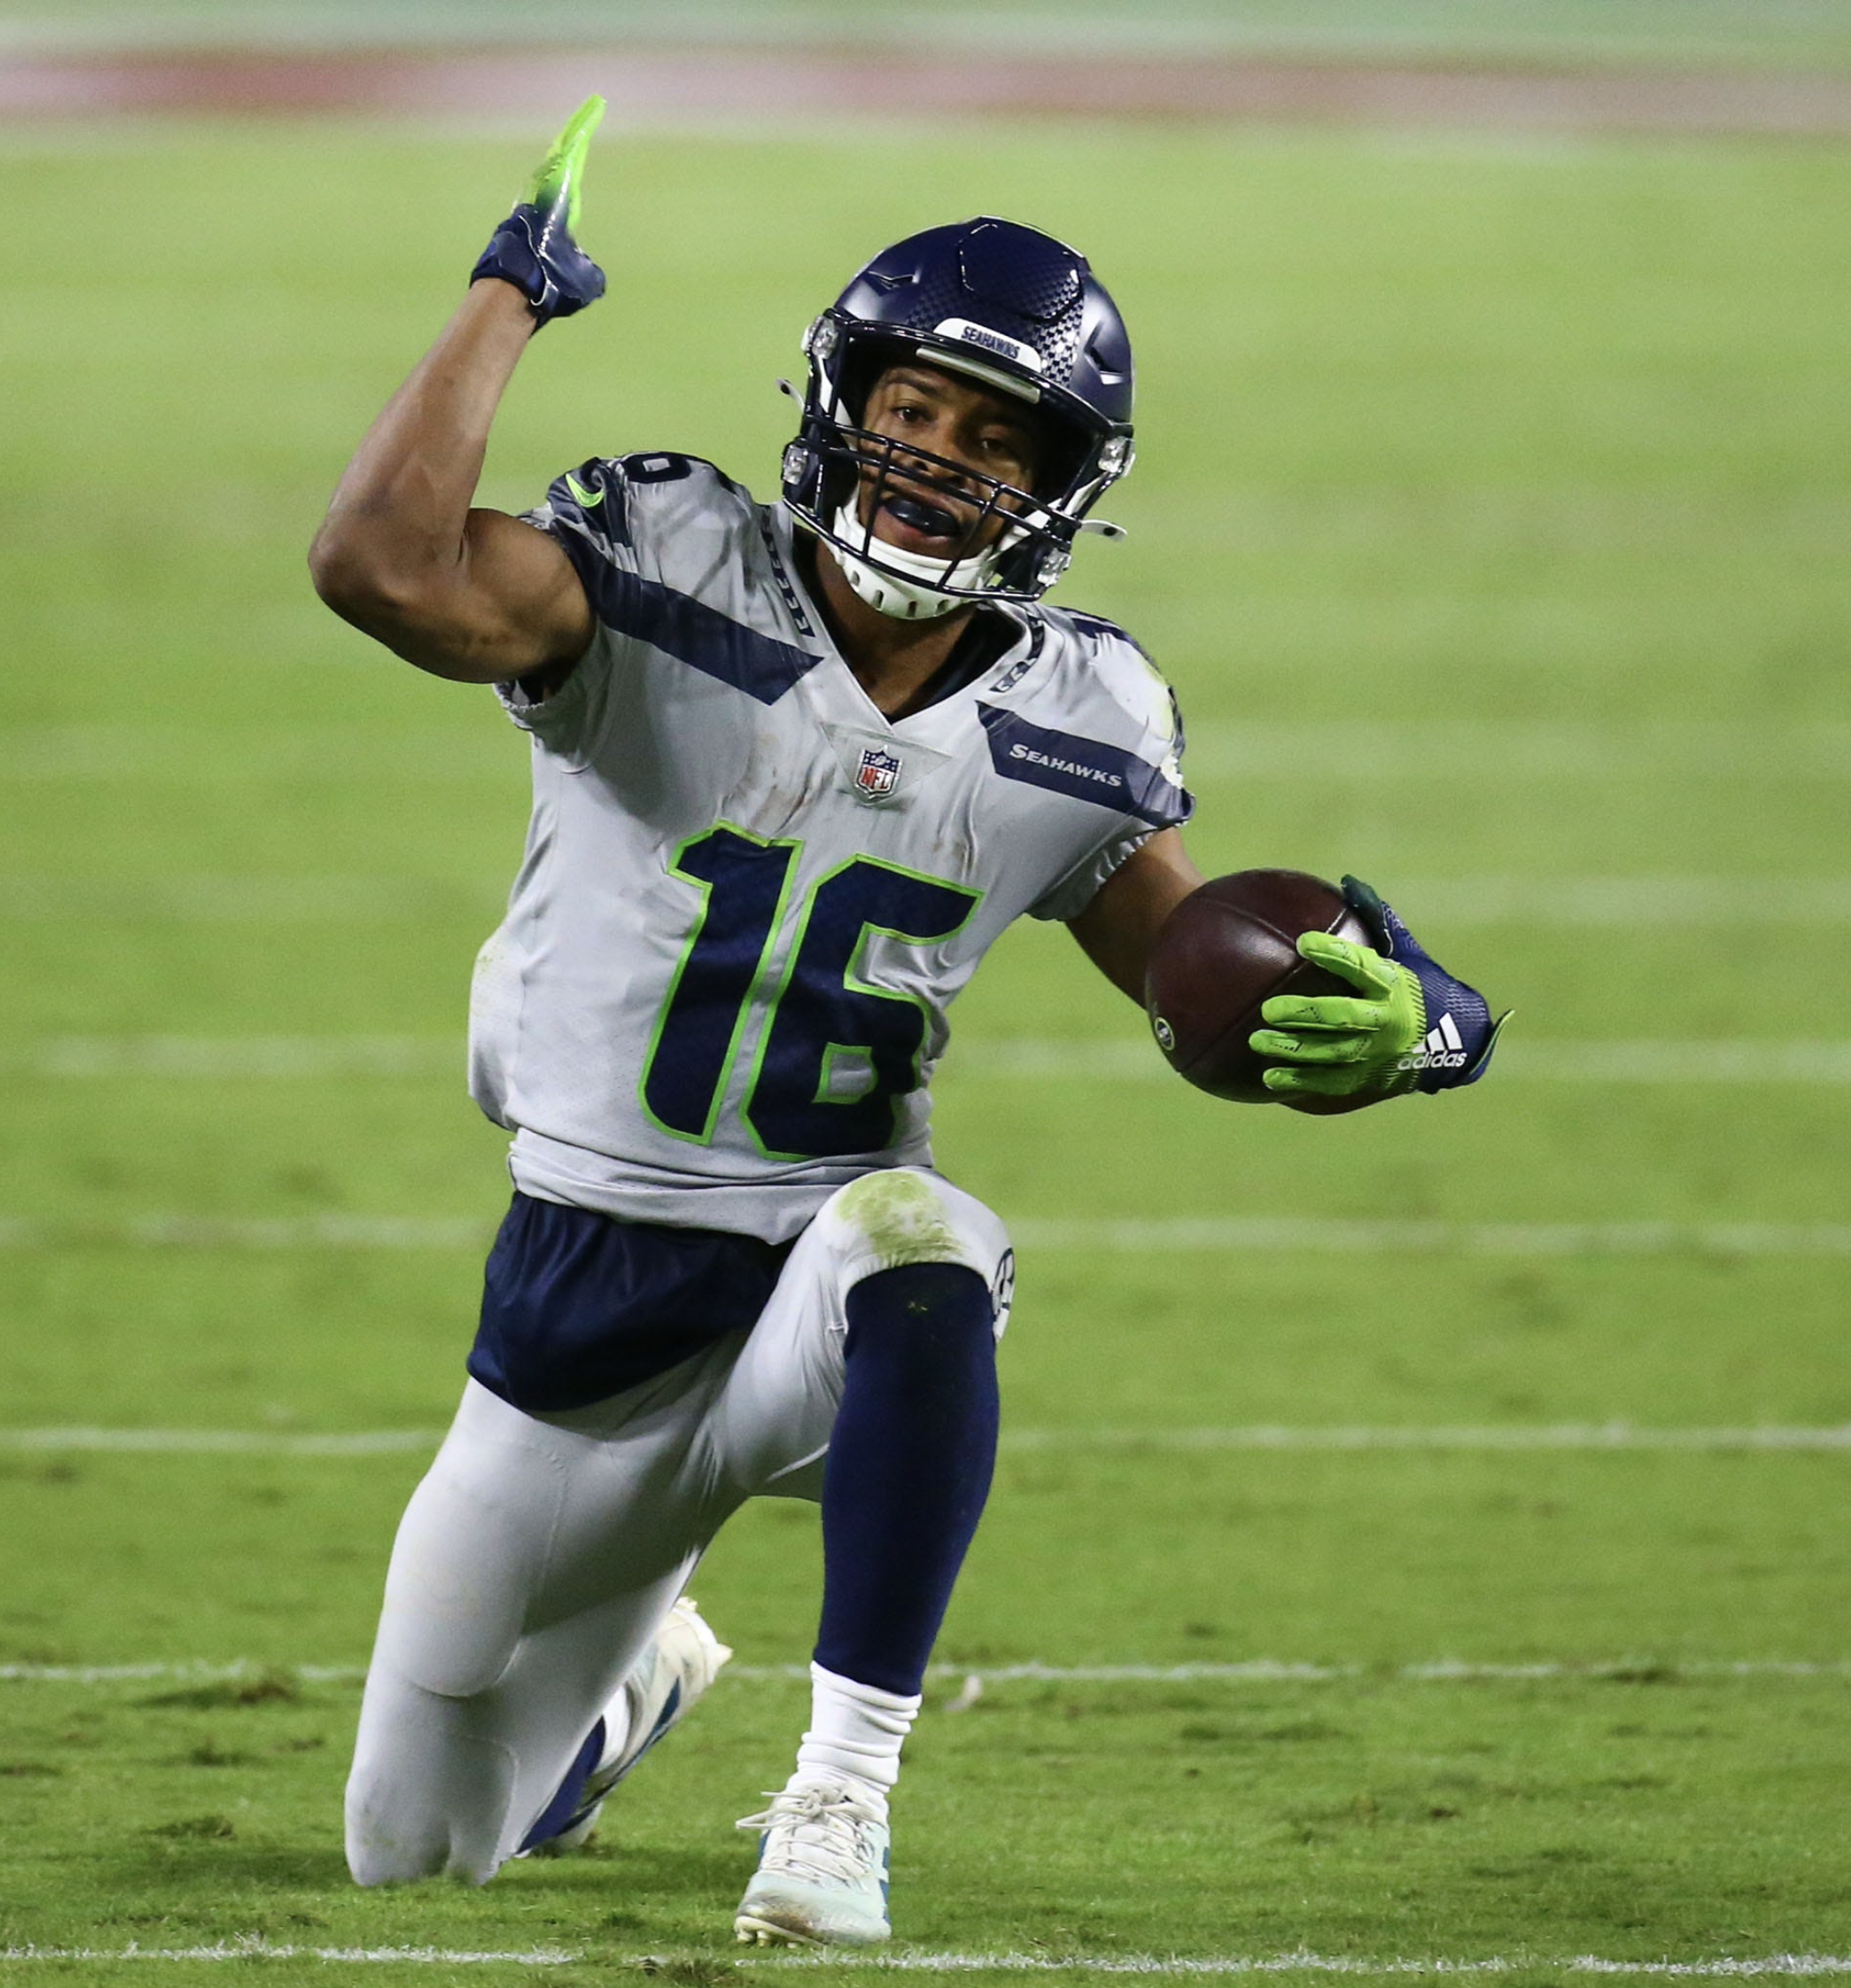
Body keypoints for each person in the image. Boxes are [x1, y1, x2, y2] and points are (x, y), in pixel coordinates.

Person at [307, 98, 1501, 1950]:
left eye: (996, 438)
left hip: (820, 1293)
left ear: (1062, 483)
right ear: (842, 398)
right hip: (581, 1301)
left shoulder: (1080, 714)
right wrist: (505, 294)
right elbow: (381, 567)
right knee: (412, 1851)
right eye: (918, 409)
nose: (941, 460)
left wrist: (1428, 1025)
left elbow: (1205, 987)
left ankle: (839, 1797)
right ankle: (631, 1684)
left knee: (920, 1242)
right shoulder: (665, 559)